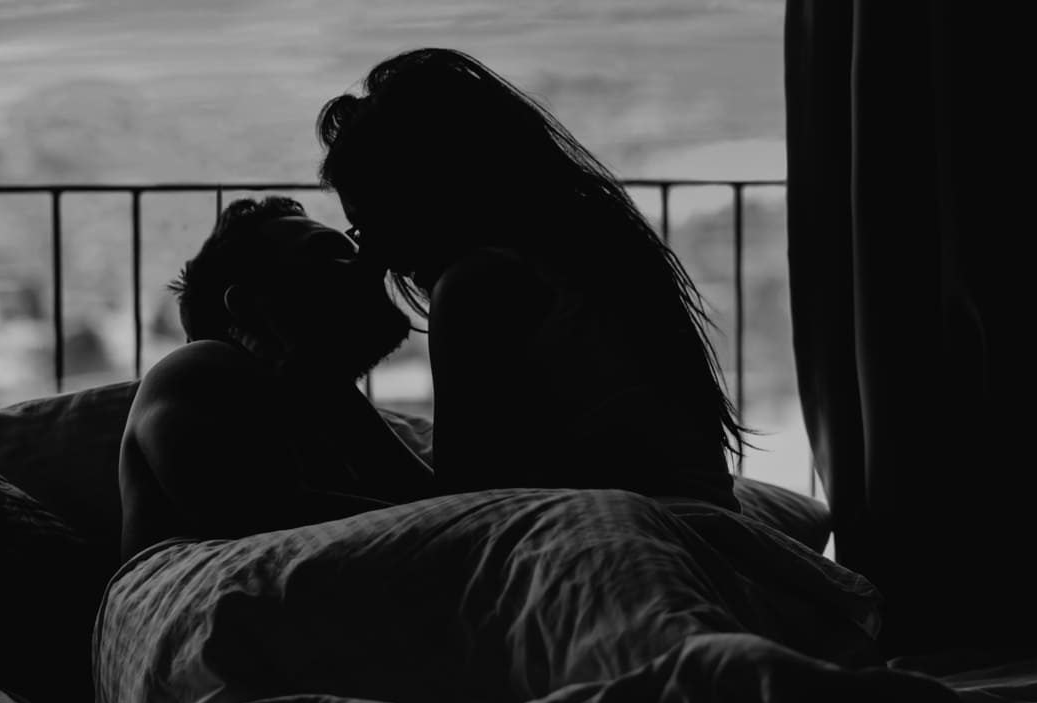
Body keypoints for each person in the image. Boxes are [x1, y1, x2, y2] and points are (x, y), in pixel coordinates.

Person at [316, 48, 750, 511]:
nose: (374, 256)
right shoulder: (589, 249)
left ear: (422, 194)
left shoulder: (479, 283)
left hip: (628, 526)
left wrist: (326, 387)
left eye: (371, 224)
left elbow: (467, 506)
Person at [116, 195, 435, 563]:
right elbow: (250, 516)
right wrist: (325, 382)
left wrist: (324, 381)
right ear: (248, 305)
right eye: (329, 253)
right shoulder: (195, 366)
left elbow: (438, 508)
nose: (370, 264)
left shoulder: (318, 398)